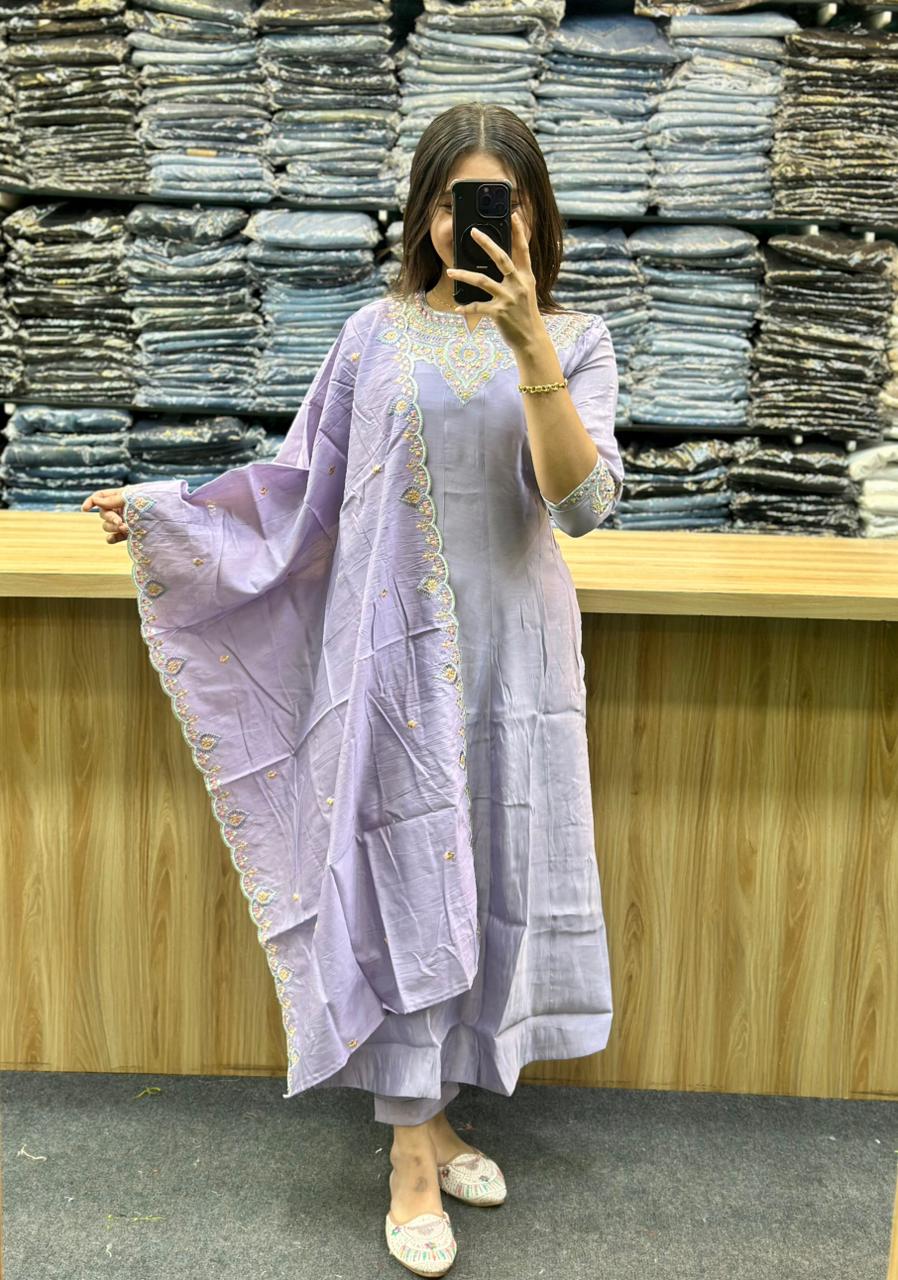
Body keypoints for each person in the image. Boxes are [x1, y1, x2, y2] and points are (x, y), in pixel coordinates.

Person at [82, 103, 624, 1277]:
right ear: (425, 216)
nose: (478, 224)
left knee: (482, 875)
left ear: (537, 214)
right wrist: (169, 511)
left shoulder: (578, 341)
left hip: (514, 668)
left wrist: (530, 348)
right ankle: (410, 1158)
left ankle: (437, 1116)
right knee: (401, 880)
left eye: (503, 202)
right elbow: (301, 487)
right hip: (389, 666)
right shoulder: (371, 337)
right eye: (456, 203)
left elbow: (581, 504)